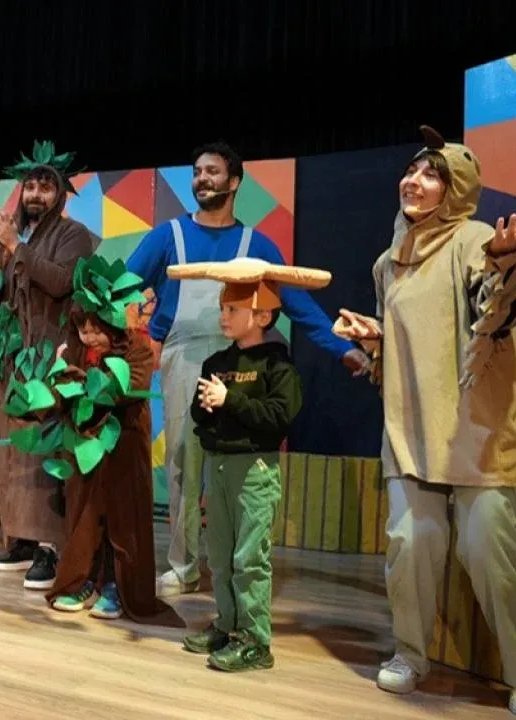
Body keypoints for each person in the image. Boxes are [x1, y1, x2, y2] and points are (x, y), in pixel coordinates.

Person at [333, 126, 516, 719]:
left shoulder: (474, 239)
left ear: (457, 188)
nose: (414, 180)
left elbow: (497, 309)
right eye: (411, 170)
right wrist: (374, 342)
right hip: (411, 431)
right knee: (410, 546)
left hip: (478, 433)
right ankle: (410, 654)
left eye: (432, 174)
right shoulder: (387, 263)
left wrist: (505, 263)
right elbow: (414, 340)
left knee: (490, 554)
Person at [125, 141, 371, 596]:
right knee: (184, 461)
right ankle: (183, 565)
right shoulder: (168, 236)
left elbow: (297, 303)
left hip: (241, 359)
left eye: (213, 171)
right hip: (185, 356)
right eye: (197, 171)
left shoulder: (256, 245)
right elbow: (121, 284)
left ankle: (235, 565)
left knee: (236, 462)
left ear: (234, 182)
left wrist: (342, 349)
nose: (202, 179)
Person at [172, 258, 322, 671]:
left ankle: (256, 639)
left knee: (250, 557)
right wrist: (206, 407)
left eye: (232, 309)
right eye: (223, 308)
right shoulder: (216, 363)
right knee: (220, 556)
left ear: (262, 316)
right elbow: (200, 416)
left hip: (254, 470)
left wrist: (230, 400)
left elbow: (278, 417)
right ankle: (227, 624)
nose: (223, 316)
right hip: (218, 466)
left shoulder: (278, 366)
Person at [0, 140, 98, 590]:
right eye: (30, 186)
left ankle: (49, 546)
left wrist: (17, 246)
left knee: (45, 452)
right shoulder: (8, 240)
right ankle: (21, 538)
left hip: (49, 358)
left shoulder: (73, 235)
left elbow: (62, 282)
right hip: (11, 362)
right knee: (13, 452)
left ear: (59, 194)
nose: (36, 195)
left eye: (46, 187)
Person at [45, 257, 175, 624]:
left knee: (122, 518)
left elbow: (123, 389)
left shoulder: (136, 349)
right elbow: (59, 393)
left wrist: (81, 381)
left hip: (124, 448)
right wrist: (55, 381)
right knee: (86, 516)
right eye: (83, 330)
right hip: (85, 449)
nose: (89, 338)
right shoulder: (75, 351)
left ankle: (118, 585)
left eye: (96, 330)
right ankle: (84, 580)